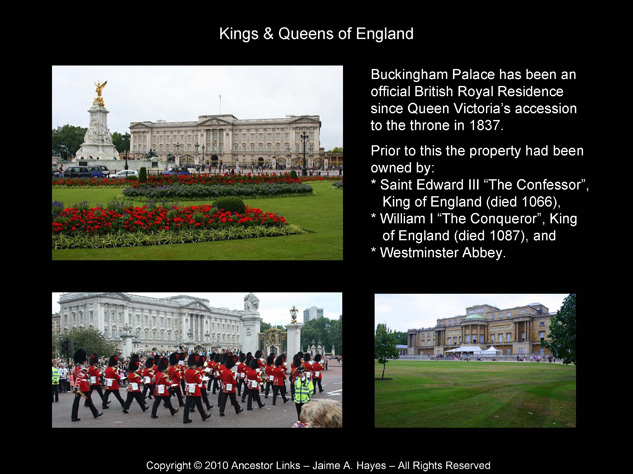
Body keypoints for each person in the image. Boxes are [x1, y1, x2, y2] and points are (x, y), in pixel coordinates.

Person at [71, 349, 103, 422]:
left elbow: (74, 377)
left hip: (78, 388)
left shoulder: (75, 368)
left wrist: (75, 387)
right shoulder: (82, 368)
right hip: (83, 388)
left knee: (77, 402)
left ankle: (74, 416)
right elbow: (79, 378)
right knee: (89, 400)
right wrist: (76, 387)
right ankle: (95, 413)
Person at [183, 353, 211, 424]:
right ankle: (204, 416)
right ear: (194, 364)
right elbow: (198, 382)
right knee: (199, 404)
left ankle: (185, 418)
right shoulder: (195, 372)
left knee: (187, 405)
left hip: (189, 388)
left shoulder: (186, 371)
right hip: (195, 389)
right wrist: (203, 379)